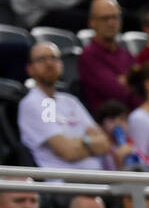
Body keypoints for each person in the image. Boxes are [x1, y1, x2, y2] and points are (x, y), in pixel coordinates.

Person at [17, 43, 111, 172]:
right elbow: (68, 152)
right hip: (66, 185)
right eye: (42, 59)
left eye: (54, 58)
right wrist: (90, 142)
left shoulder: (71, 101)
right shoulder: (34, 103)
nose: (49, 63)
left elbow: (105, 144)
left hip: (97, 180)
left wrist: (80, 142)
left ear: (61, 64)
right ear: (30, 68)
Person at [79, 0, 138, 117]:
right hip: (110, 121)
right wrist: (131, 82)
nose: (111, 23)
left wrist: (125, 81)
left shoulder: (125, 54)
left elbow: (143, 88)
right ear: (92, 23)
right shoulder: (88, 56)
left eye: (115, 17)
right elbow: (115, 92)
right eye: (105, 18)